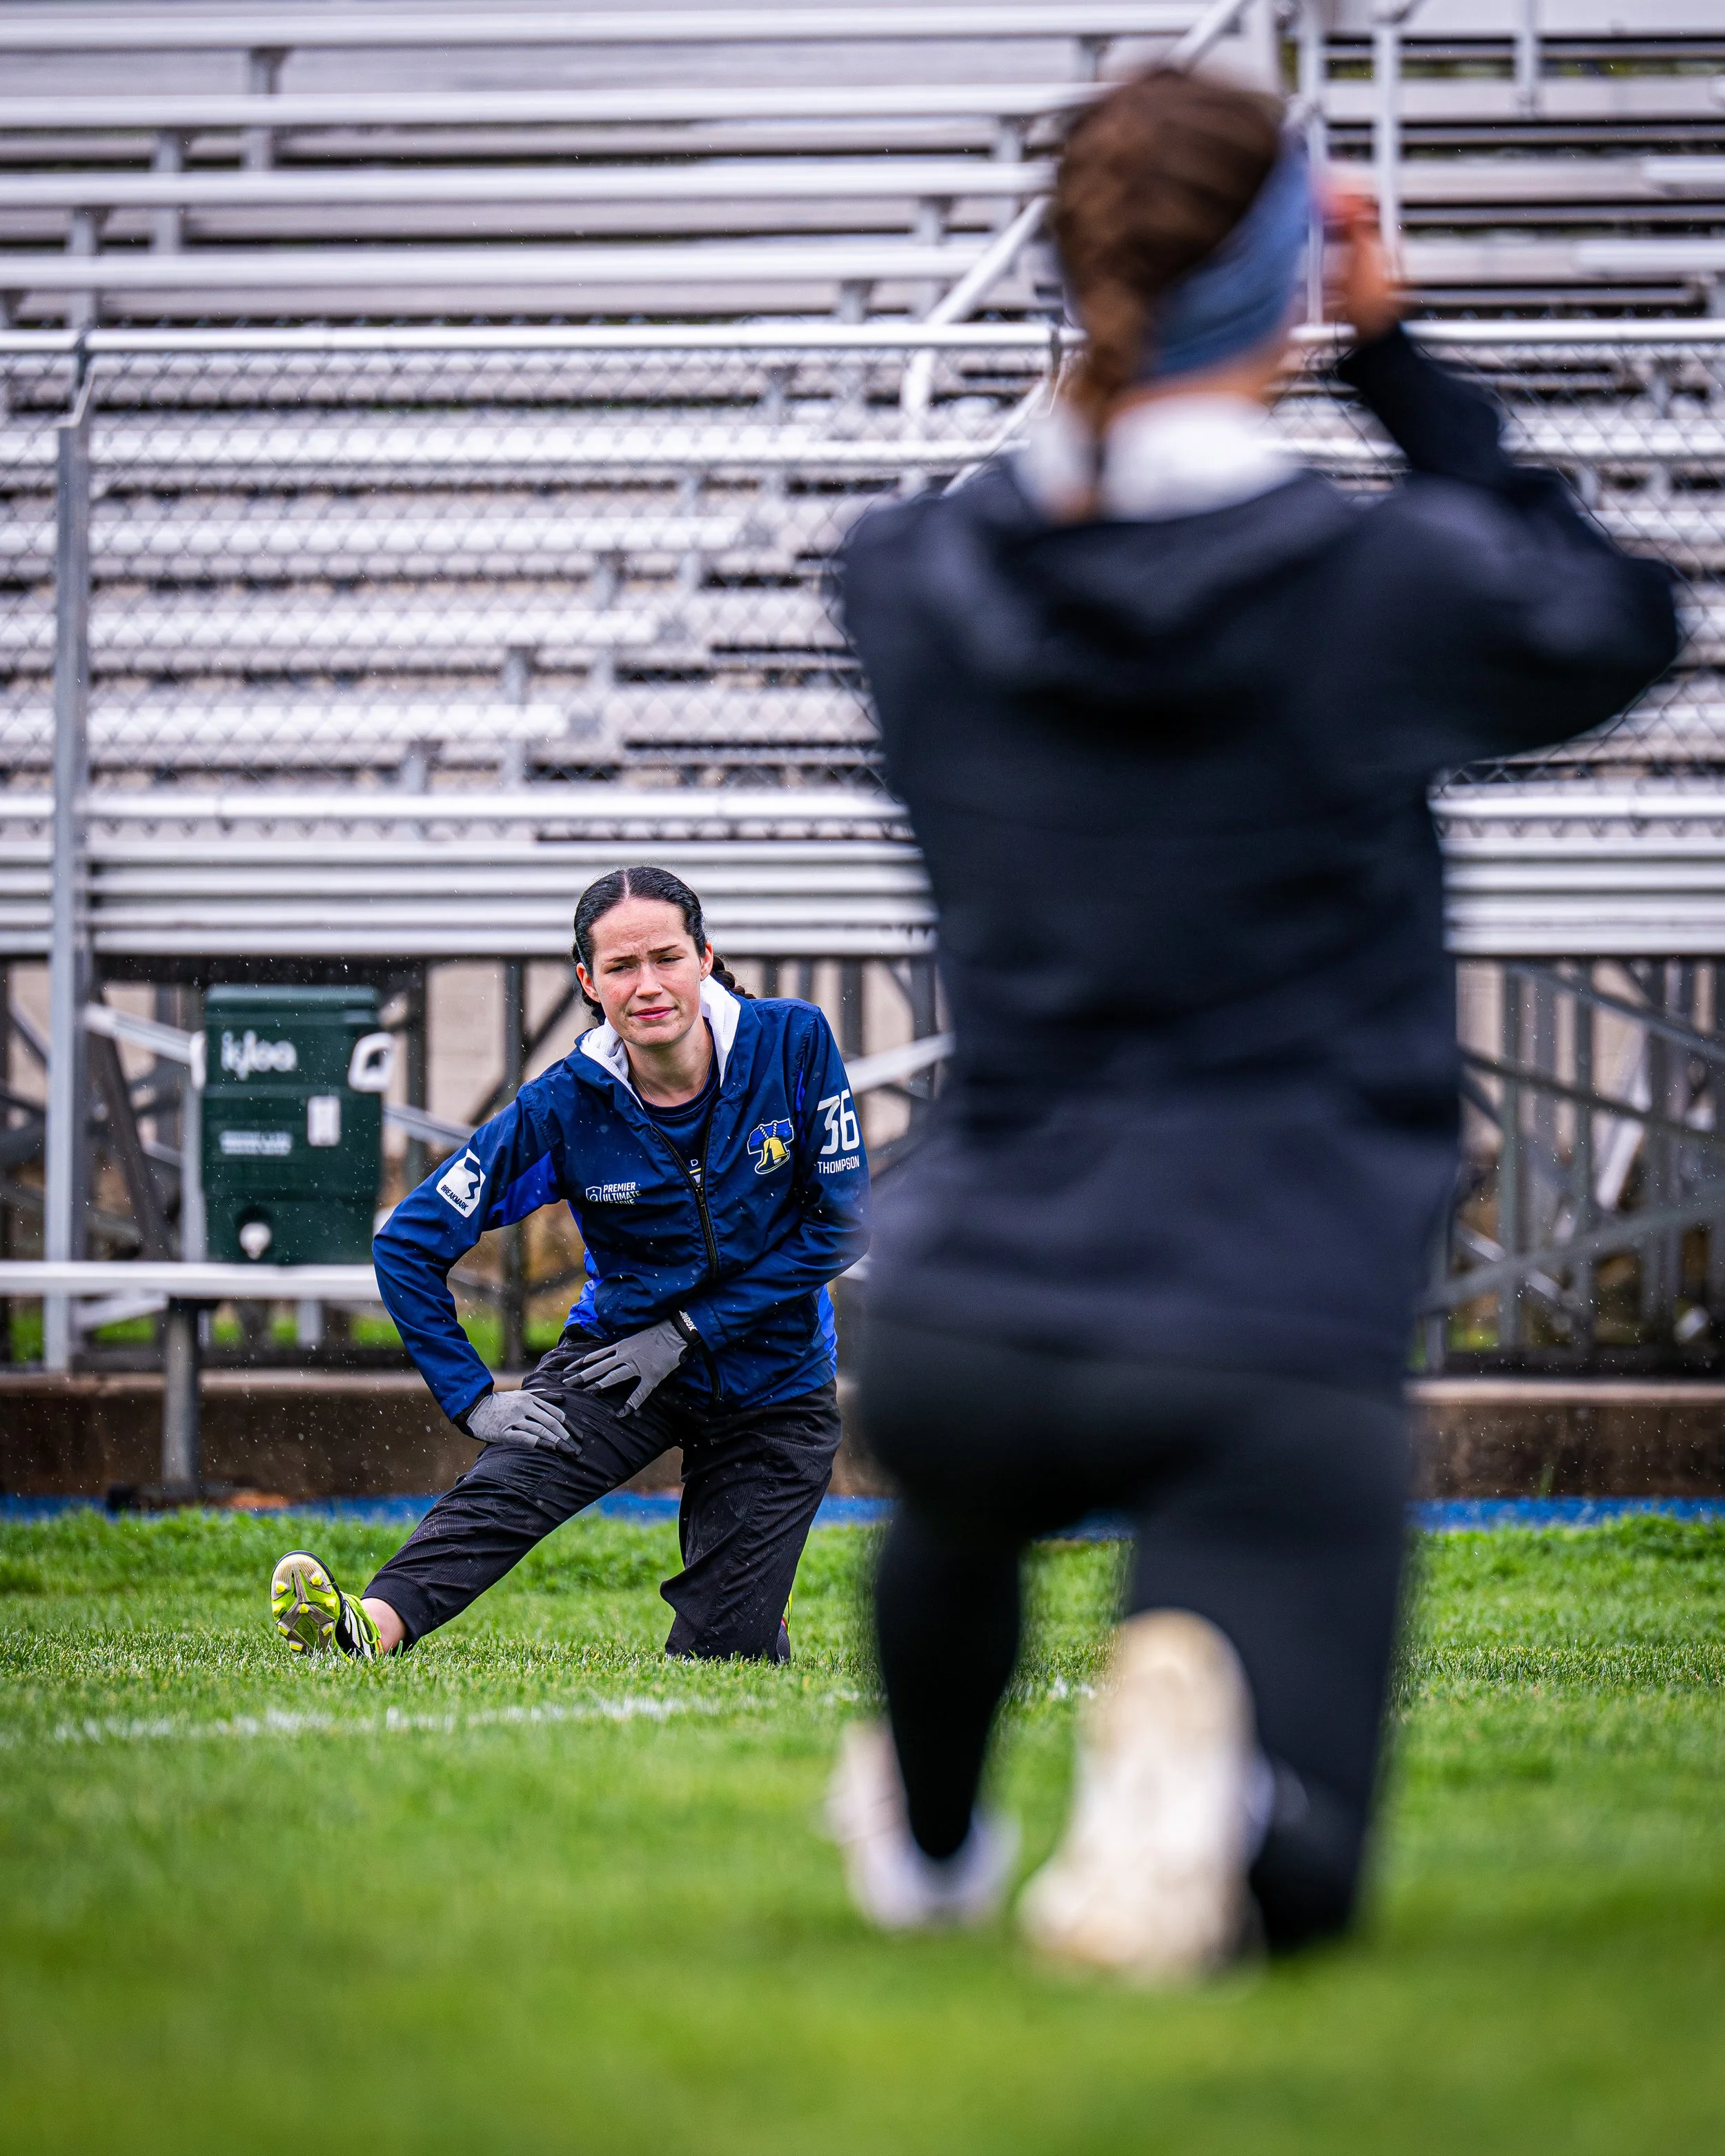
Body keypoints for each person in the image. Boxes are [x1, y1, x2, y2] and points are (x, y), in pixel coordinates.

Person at [827, 68, 1679, 1977]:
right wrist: (1395, 362)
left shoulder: (905, 581)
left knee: (955, 1512)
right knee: (1293, 1884)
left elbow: (1040, 523)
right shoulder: (1380, 584)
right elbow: (1619, 621)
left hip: (966, 1310)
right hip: (1265, 1311)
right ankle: (1211, 1807)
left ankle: (935, 1843)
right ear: (1286, 290)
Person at [267, 865, 869, 1665]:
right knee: (512, 1482)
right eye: (621, 966)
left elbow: (843, 1225)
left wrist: (688, 1329)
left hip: (777, 1381)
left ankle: (756, 1609)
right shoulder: (562, 1105)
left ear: (703, 957)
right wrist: (472, 1397)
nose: (647, 984)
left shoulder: (792, 1042)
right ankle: (366, 1626)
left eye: (666, 957)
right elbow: (407, 1242)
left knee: (722, 1654)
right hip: (621, 1356)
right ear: (588, 980)